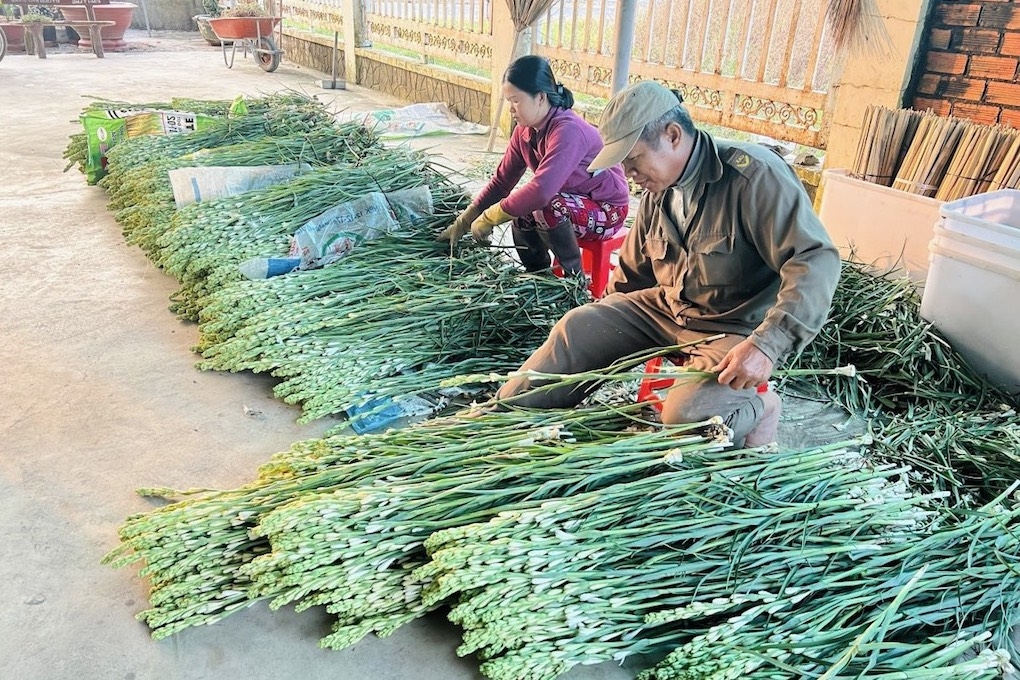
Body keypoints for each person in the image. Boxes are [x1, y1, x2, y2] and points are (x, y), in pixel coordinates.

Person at [493, 80, 841, 446]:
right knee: (580, 326)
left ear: (673, 135)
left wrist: (768, 345)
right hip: (669, 309)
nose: (628, 174)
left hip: (732, 326)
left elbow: (814, 258)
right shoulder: (660, 189)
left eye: (633, 159)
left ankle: (763, 405)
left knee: (684, 419)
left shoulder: (753, 177)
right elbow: (630, 277)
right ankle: (502, 415)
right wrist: (606, 327)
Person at [438, 55, 630, 275]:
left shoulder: (568, 130)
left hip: (607, 210)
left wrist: (491, 217)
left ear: (540, 97)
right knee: (522, 207)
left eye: (516, 100)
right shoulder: (525, 131)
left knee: (543, 205)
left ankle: (571, 283)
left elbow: (541, 191)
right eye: (509, 101)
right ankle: (537, 276)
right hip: (572, 204)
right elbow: (502, 183)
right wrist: (464, 221)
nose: (511, 108)